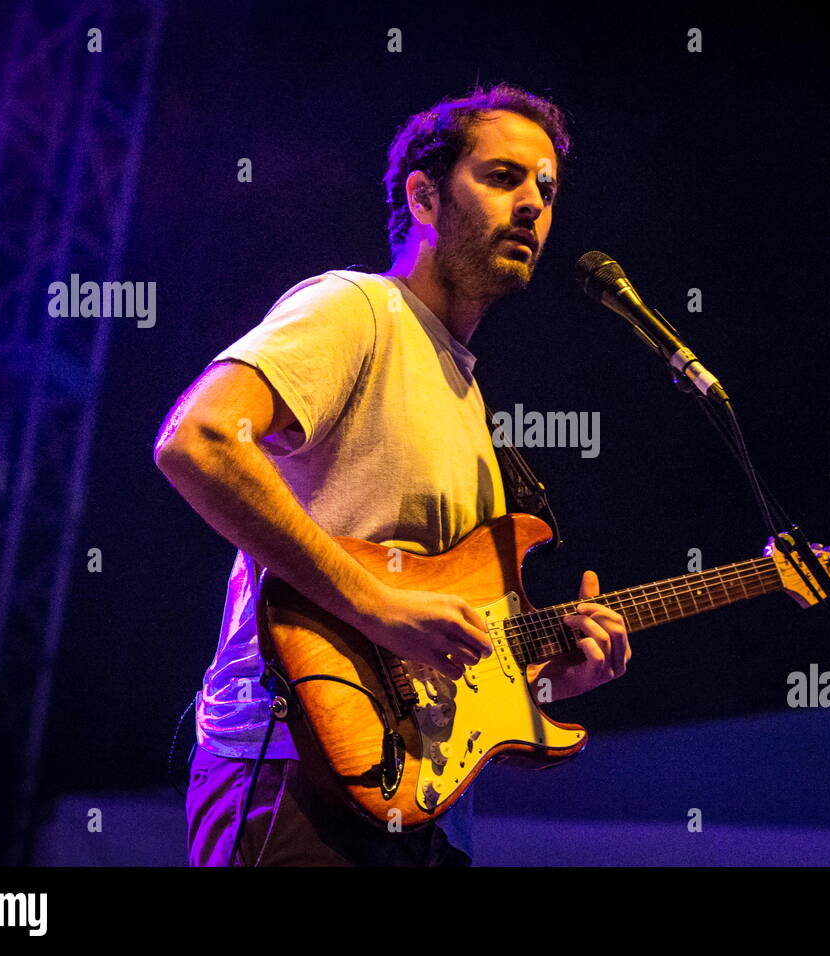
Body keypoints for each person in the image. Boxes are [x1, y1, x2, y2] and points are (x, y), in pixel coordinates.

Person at [153, 83, 631, 866]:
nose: (533, 206)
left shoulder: (468, 394)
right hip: (295, 769)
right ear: (425, 195)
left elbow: (439, 640)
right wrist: (376, 604)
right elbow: (197, 441)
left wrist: (549, 678)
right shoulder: (358, 309)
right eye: (504, 177)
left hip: (430, 807)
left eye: (546, 190)